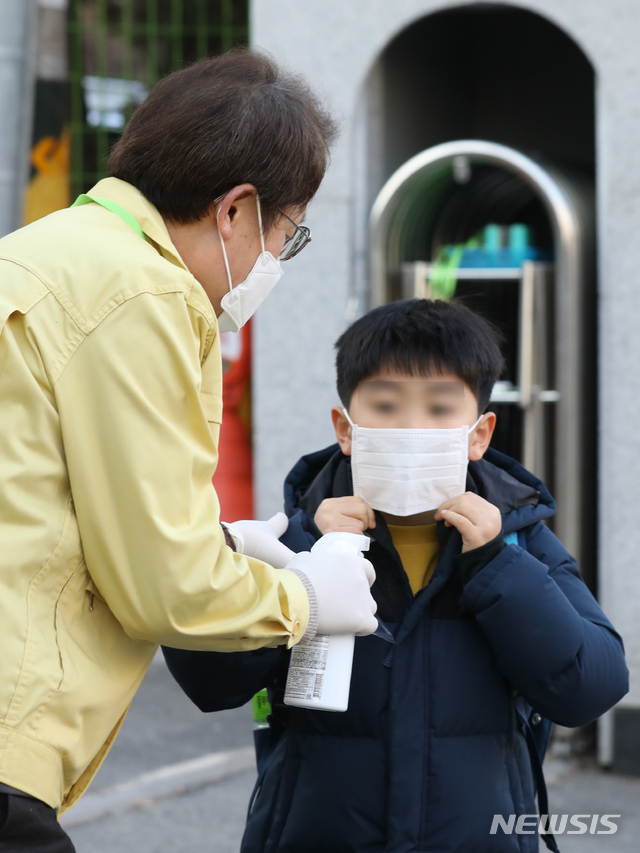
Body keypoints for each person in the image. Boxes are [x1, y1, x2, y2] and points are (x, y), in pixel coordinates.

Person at [0, 49, 378, 852]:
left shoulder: (45, 253)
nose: (277, 257)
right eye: (287, 232)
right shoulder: (147, 292)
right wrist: (304, 594)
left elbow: (52, 497)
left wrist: (224, 544)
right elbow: (162, 586)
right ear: (237, 210)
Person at [163, 298, 629, 853]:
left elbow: (590, 687)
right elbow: (208, 682)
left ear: (478, 435)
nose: (411, 427)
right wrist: (309, 565)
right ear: (347, 428)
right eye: (385, 405)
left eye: (439, 409)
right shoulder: (293, 538)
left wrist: (496, 565)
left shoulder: (517, 541)